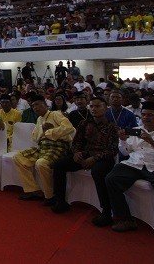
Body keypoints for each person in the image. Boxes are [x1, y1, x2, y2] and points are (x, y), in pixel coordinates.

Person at [104, 101, 154, 245]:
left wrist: (153, 143)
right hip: (134, 164)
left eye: (150, 115)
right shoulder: (135, 130)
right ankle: (126, 219)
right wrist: (122, 141)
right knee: (111, 178)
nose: (146, 118)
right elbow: (125, 152)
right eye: (144, 115)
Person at [50, 96, 118, 224]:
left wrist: (94, 158)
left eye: (97, 106)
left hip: (103, 158)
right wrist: (76, 153)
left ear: (105, 108)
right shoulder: (84, 123)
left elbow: (112, 150)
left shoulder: (112, 126)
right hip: (84, 155)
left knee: (98, 172)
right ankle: (60, 200)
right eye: (91, 106)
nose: (93, 109)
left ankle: (106, 211)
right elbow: (76, 142)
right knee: (59, 164)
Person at [15, 96, 75, 202]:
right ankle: (33, 190)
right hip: (43, 146)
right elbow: (35, 137)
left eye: (37, 104)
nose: (35, 107)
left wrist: (50, 131)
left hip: (58, 146)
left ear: (45, 105)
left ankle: (50, 195)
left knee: (41, 163)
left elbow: (69, 128)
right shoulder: (39, 119)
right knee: (18, 157)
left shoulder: (55, 114)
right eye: (33, 106)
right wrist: (43, 130)